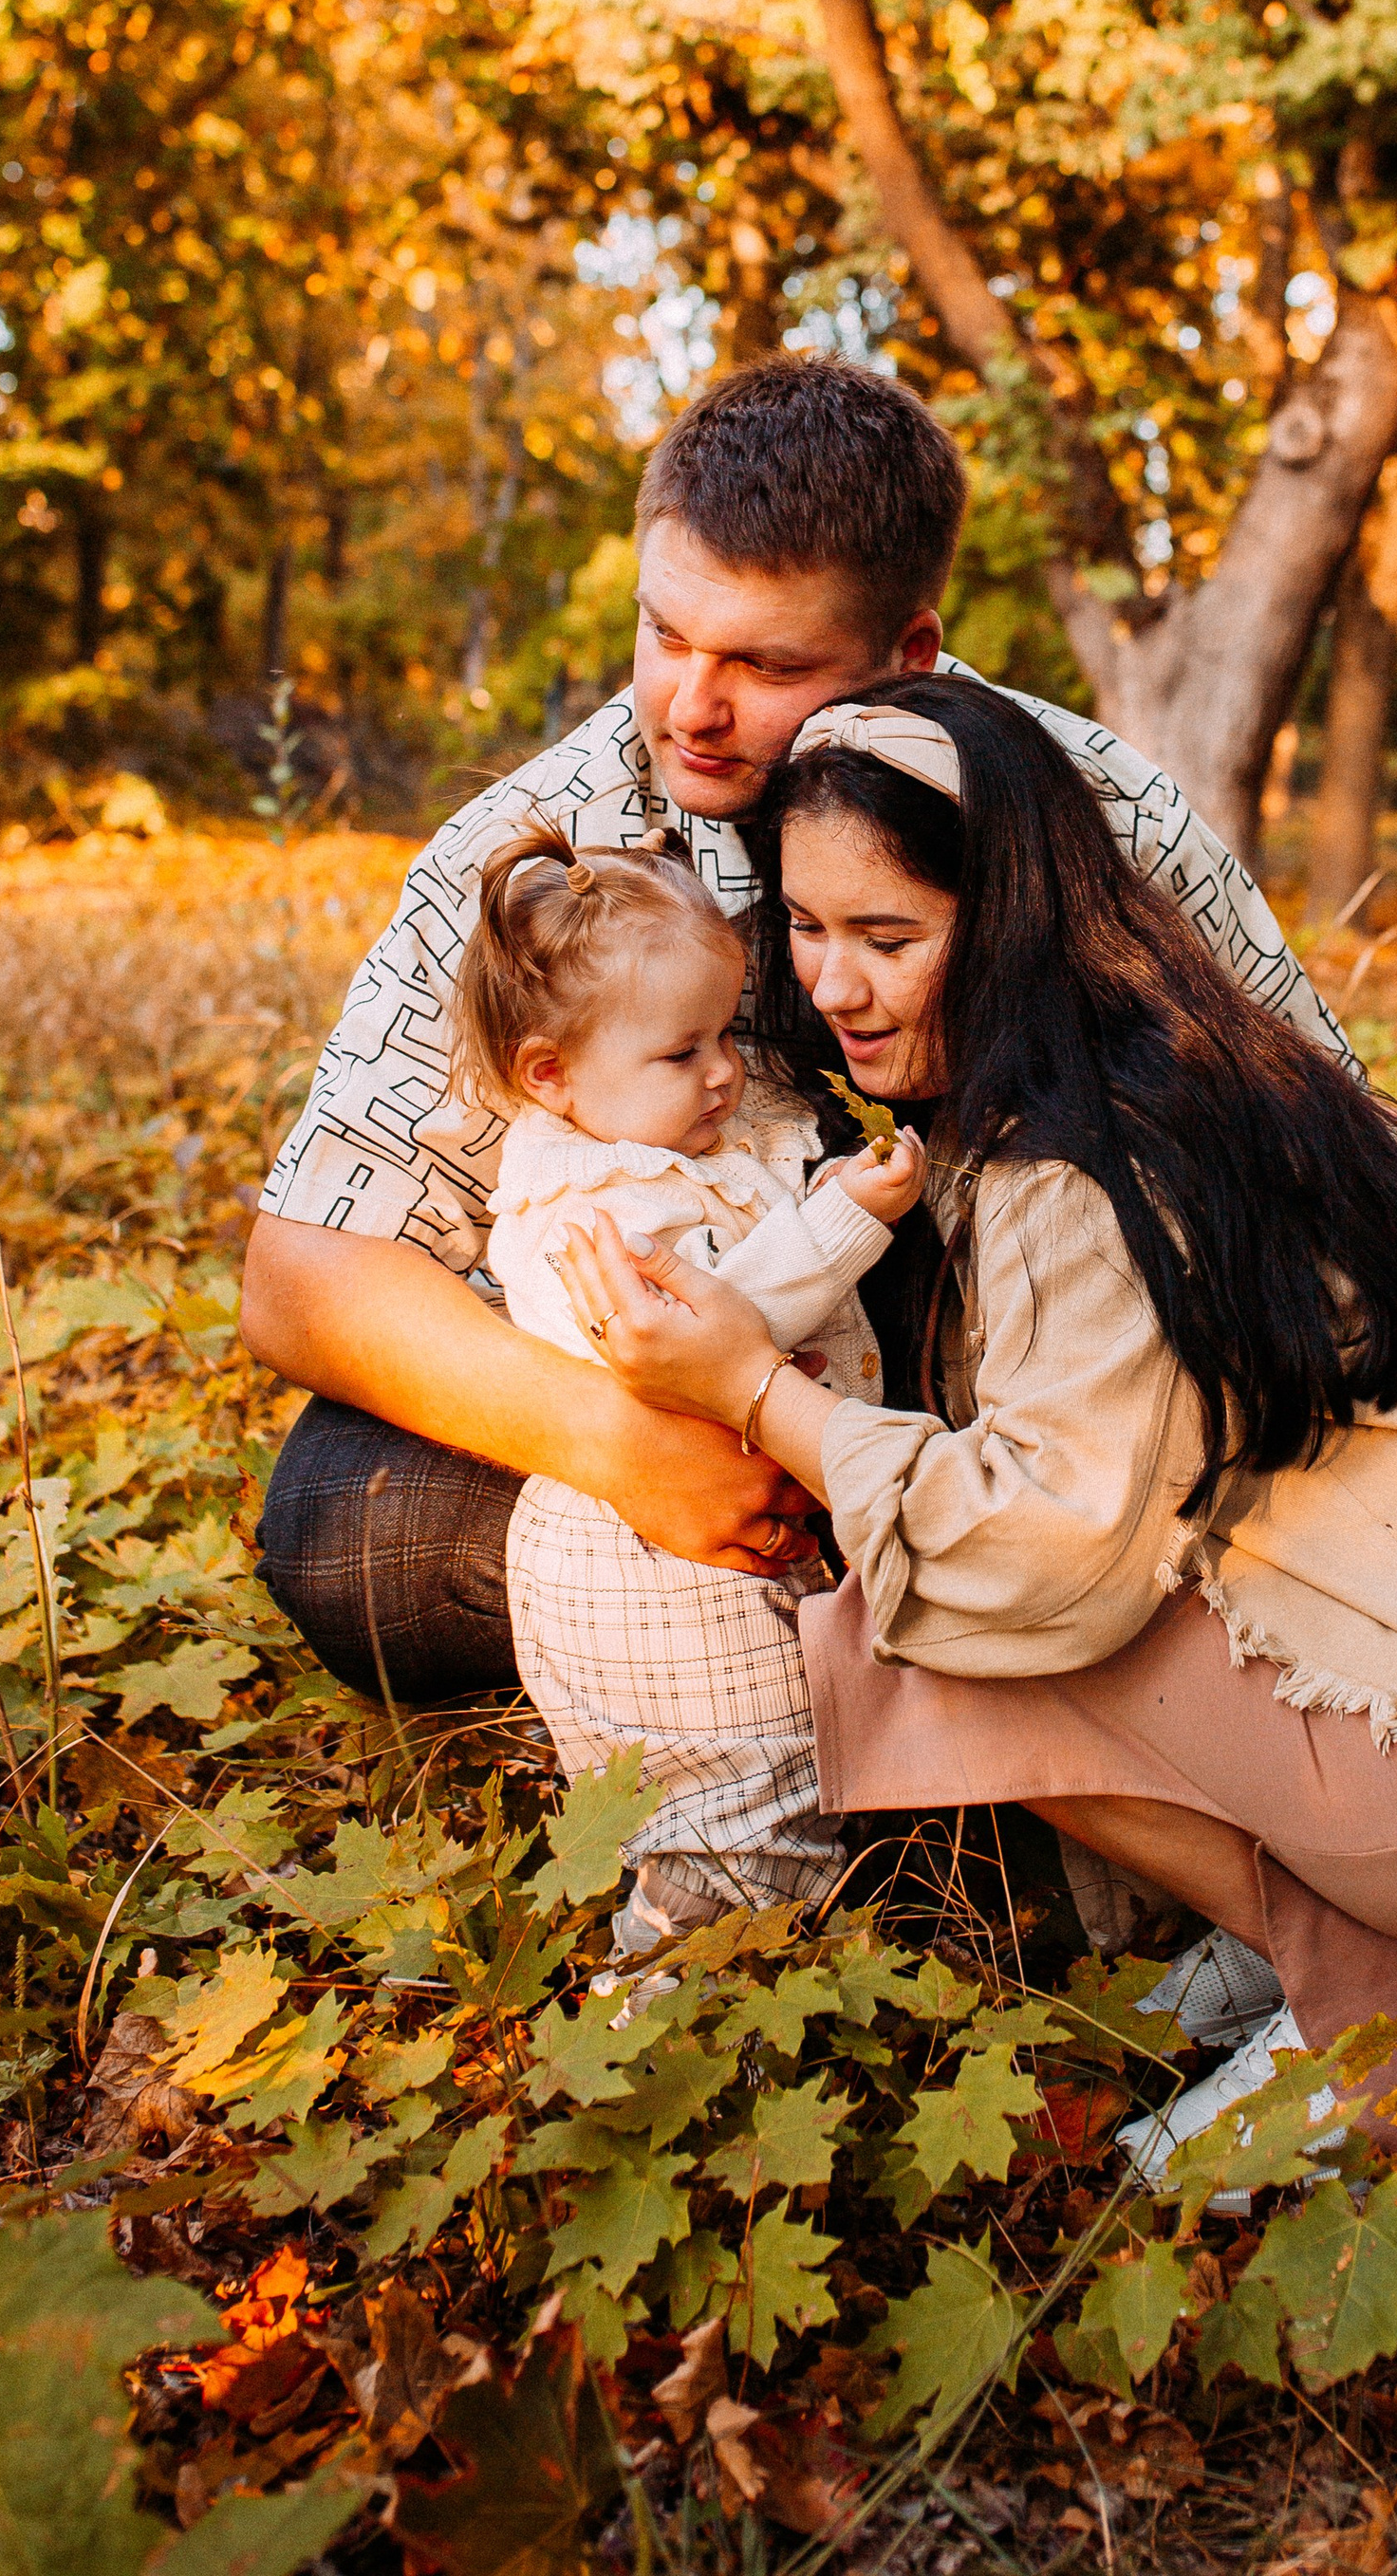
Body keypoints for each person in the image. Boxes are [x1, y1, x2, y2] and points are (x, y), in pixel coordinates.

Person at [243, 356, 1397, 1706]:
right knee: (340, 1528)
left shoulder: (1090, 808)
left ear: (909, 648)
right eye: (665, 633)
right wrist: (622, 1449)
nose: (692, 704)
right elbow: (305, 1271)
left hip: (1025, 1395)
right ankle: (857, 1683)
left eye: (766, 663)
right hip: (670, 1376)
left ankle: (981, 1687)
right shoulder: (534, 856)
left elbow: (1301, 1100)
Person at [547, 677, 1397, 2166]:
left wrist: (749, 1391)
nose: (831, 986)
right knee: (1001, 1548)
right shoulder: (1216, 1059)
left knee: (926, 1615)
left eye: (890, 938)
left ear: (1013, 922)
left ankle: (1387, 2033)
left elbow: (1033, 1547)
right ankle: (1336, 1951)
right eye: (810, 932)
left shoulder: (1073, 1172)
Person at [451, 814, 923, 1951]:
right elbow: (698, 1334)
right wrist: (843, 1221)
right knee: (736, 1816)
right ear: (550, 1076)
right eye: (681, 1053)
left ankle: (751, 1984)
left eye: (723, 1034)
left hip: (726, 1538)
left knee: (786, 1780)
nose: (723, 1072)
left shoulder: (662, 1145)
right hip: (655, 1561)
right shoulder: (585, 1211)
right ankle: (659, 2031)